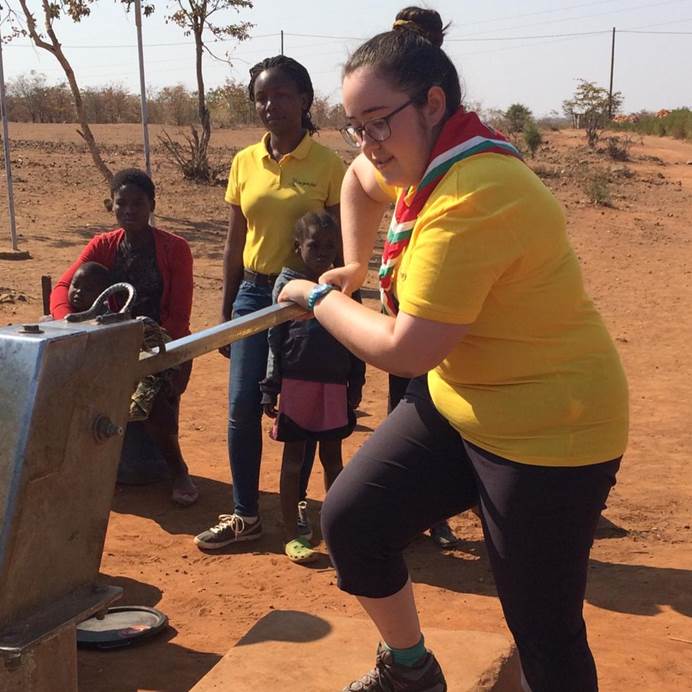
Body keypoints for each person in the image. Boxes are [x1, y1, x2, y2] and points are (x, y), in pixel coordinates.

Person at [276, 7, 629, 692]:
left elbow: (406, 351)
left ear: (434, 103)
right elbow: (355, 181)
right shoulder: (422, 163)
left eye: (380, 121)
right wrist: (353, 264)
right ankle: (410, 670)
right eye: (355, 125)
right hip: (462, 401)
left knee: (544, 628)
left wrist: (318, 299)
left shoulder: (474, 193)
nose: (369, 143)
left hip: (551, 430)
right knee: (354, 523)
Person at [193, 56, 346, 550]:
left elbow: (341, 246)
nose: (270, 105)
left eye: (281, 95)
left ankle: (300, 512)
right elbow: (234, 242)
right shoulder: (244, 162)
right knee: (241, 405)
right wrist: (225, 310)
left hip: (306, 302)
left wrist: (340, 309)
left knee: (300, 413)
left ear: (305, 101)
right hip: (253, 294)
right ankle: (245, 514)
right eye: (262, 96)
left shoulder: (328, 165)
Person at [50, 168, 198, 506]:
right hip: (111, 346)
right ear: (111, 206)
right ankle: (87, 470)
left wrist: (146, 354)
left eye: (138, 203)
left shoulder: (176, 249)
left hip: (164, 346)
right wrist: (70, 323)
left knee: (156, 397)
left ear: (152, 205)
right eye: (121, 203)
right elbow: (64, 287)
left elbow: (179, 317)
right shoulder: (103, 245)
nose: (129, 210)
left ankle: (178, 470)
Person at [259, 212, 365, 564]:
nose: (323, 252)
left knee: (333, 461)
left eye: (331, 246)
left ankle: (335, 531)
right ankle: (292, 533)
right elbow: (274, 339)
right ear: (296, 247)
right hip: (296, 384)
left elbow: (357, 338)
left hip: (334, 384)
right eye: (314, 245)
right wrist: (271, 385)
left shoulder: (346, 286)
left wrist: (355, 383)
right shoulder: (287, 285)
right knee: (293, 461)